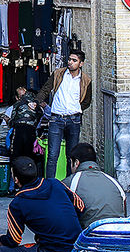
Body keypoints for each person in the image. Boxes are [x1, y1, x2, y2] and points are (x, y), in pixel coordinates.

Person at [36, 50, 91, 179]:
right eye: (70, 59)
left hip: (74, 119)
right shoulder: (58, 74)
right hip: (56, 119)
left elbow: (87, 101)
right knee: (52, 155)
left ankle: (69, 184)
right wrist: (37, 101)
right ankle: (50, 185)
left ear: (81, 63)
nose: (70, 62)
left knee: (71, 156)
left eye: (74, 60)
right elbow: (45, 89)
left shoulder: (86, 80)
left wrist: (76, 108)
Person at [64, 143, 127, 227]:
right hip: (119, 233)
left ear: (76, 163)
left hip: (90, 236)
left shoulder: (69, 183)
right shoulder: (115, 183)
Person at [7, 85, 43, 181]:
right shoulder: (36, 103)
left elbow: (12, 122)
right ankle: (31, 181)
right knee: (30, 157)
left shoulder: (17, 103)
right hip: (31, 131)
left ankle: (15, 184)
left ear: (17, 97)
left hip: (19, 130)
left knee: (15, 156)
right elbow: (40, 114)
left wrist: (6, 119)